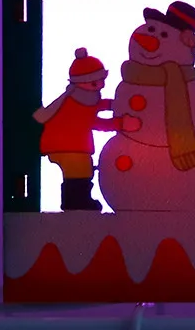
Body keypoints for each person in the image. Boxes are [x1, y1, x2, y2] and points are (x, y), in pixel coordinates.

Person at [33, 48, 140, 211]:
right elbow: (93, 122)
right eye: (95, 83)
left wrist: (113, 104)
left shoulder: (83, 97)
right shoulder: (76, 102)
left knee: (81, 171)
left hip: (71, 145)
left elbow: (94, 106)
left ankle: (79, 200)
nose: (100, 86)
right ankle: (76, 202)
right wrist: (120, 123)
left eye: (102, 81)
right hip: (68, 147)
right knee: (78, 173)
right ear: (81, 82)